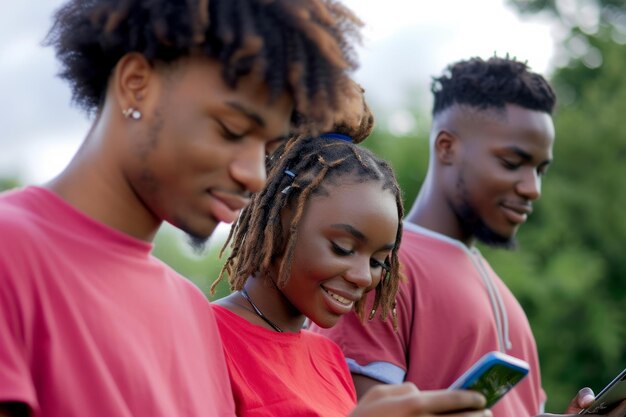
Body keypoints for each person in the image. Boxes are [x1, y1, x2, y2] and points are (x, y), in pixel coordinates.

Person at [0, 1, 366, 416]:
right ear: (137, 83)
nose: (254, 175)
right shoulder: (11, 253)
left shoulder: (191, 312)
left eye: (267, 149)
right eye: (232, 130)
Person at [311, 56, 608, 417]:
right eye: (513, 163)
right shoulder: (376, 269)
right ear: (447, 146)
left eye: (540, 170)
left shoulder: (502, 294)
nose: (533, 189)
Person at [211, 85, 492, 417]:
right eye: (343, 248)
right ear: (281, 220)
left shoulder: (329, 358)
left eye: (378, 262)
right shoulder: (205, 335)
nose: (363, 277)